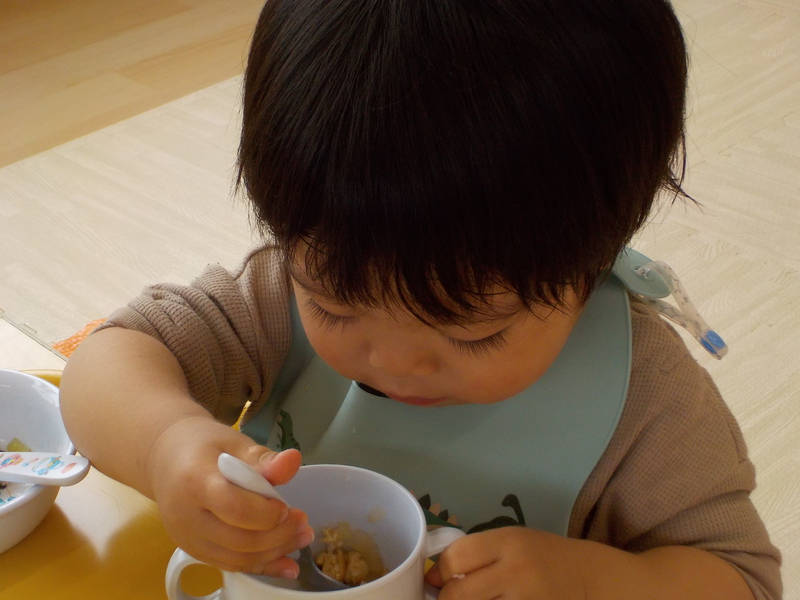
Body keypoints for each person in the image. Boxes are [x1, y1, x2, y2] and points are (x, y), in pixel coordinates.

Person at [59, 0, 782, 598]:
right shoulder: (278, 296)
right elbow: (109, 359)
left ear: (589, 263)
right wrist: (164, 444)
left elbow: (741, 578)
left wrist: (593, 582)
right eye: (337, 309)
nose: (393, 364)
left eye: (472, 336)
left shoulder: (643, 398)